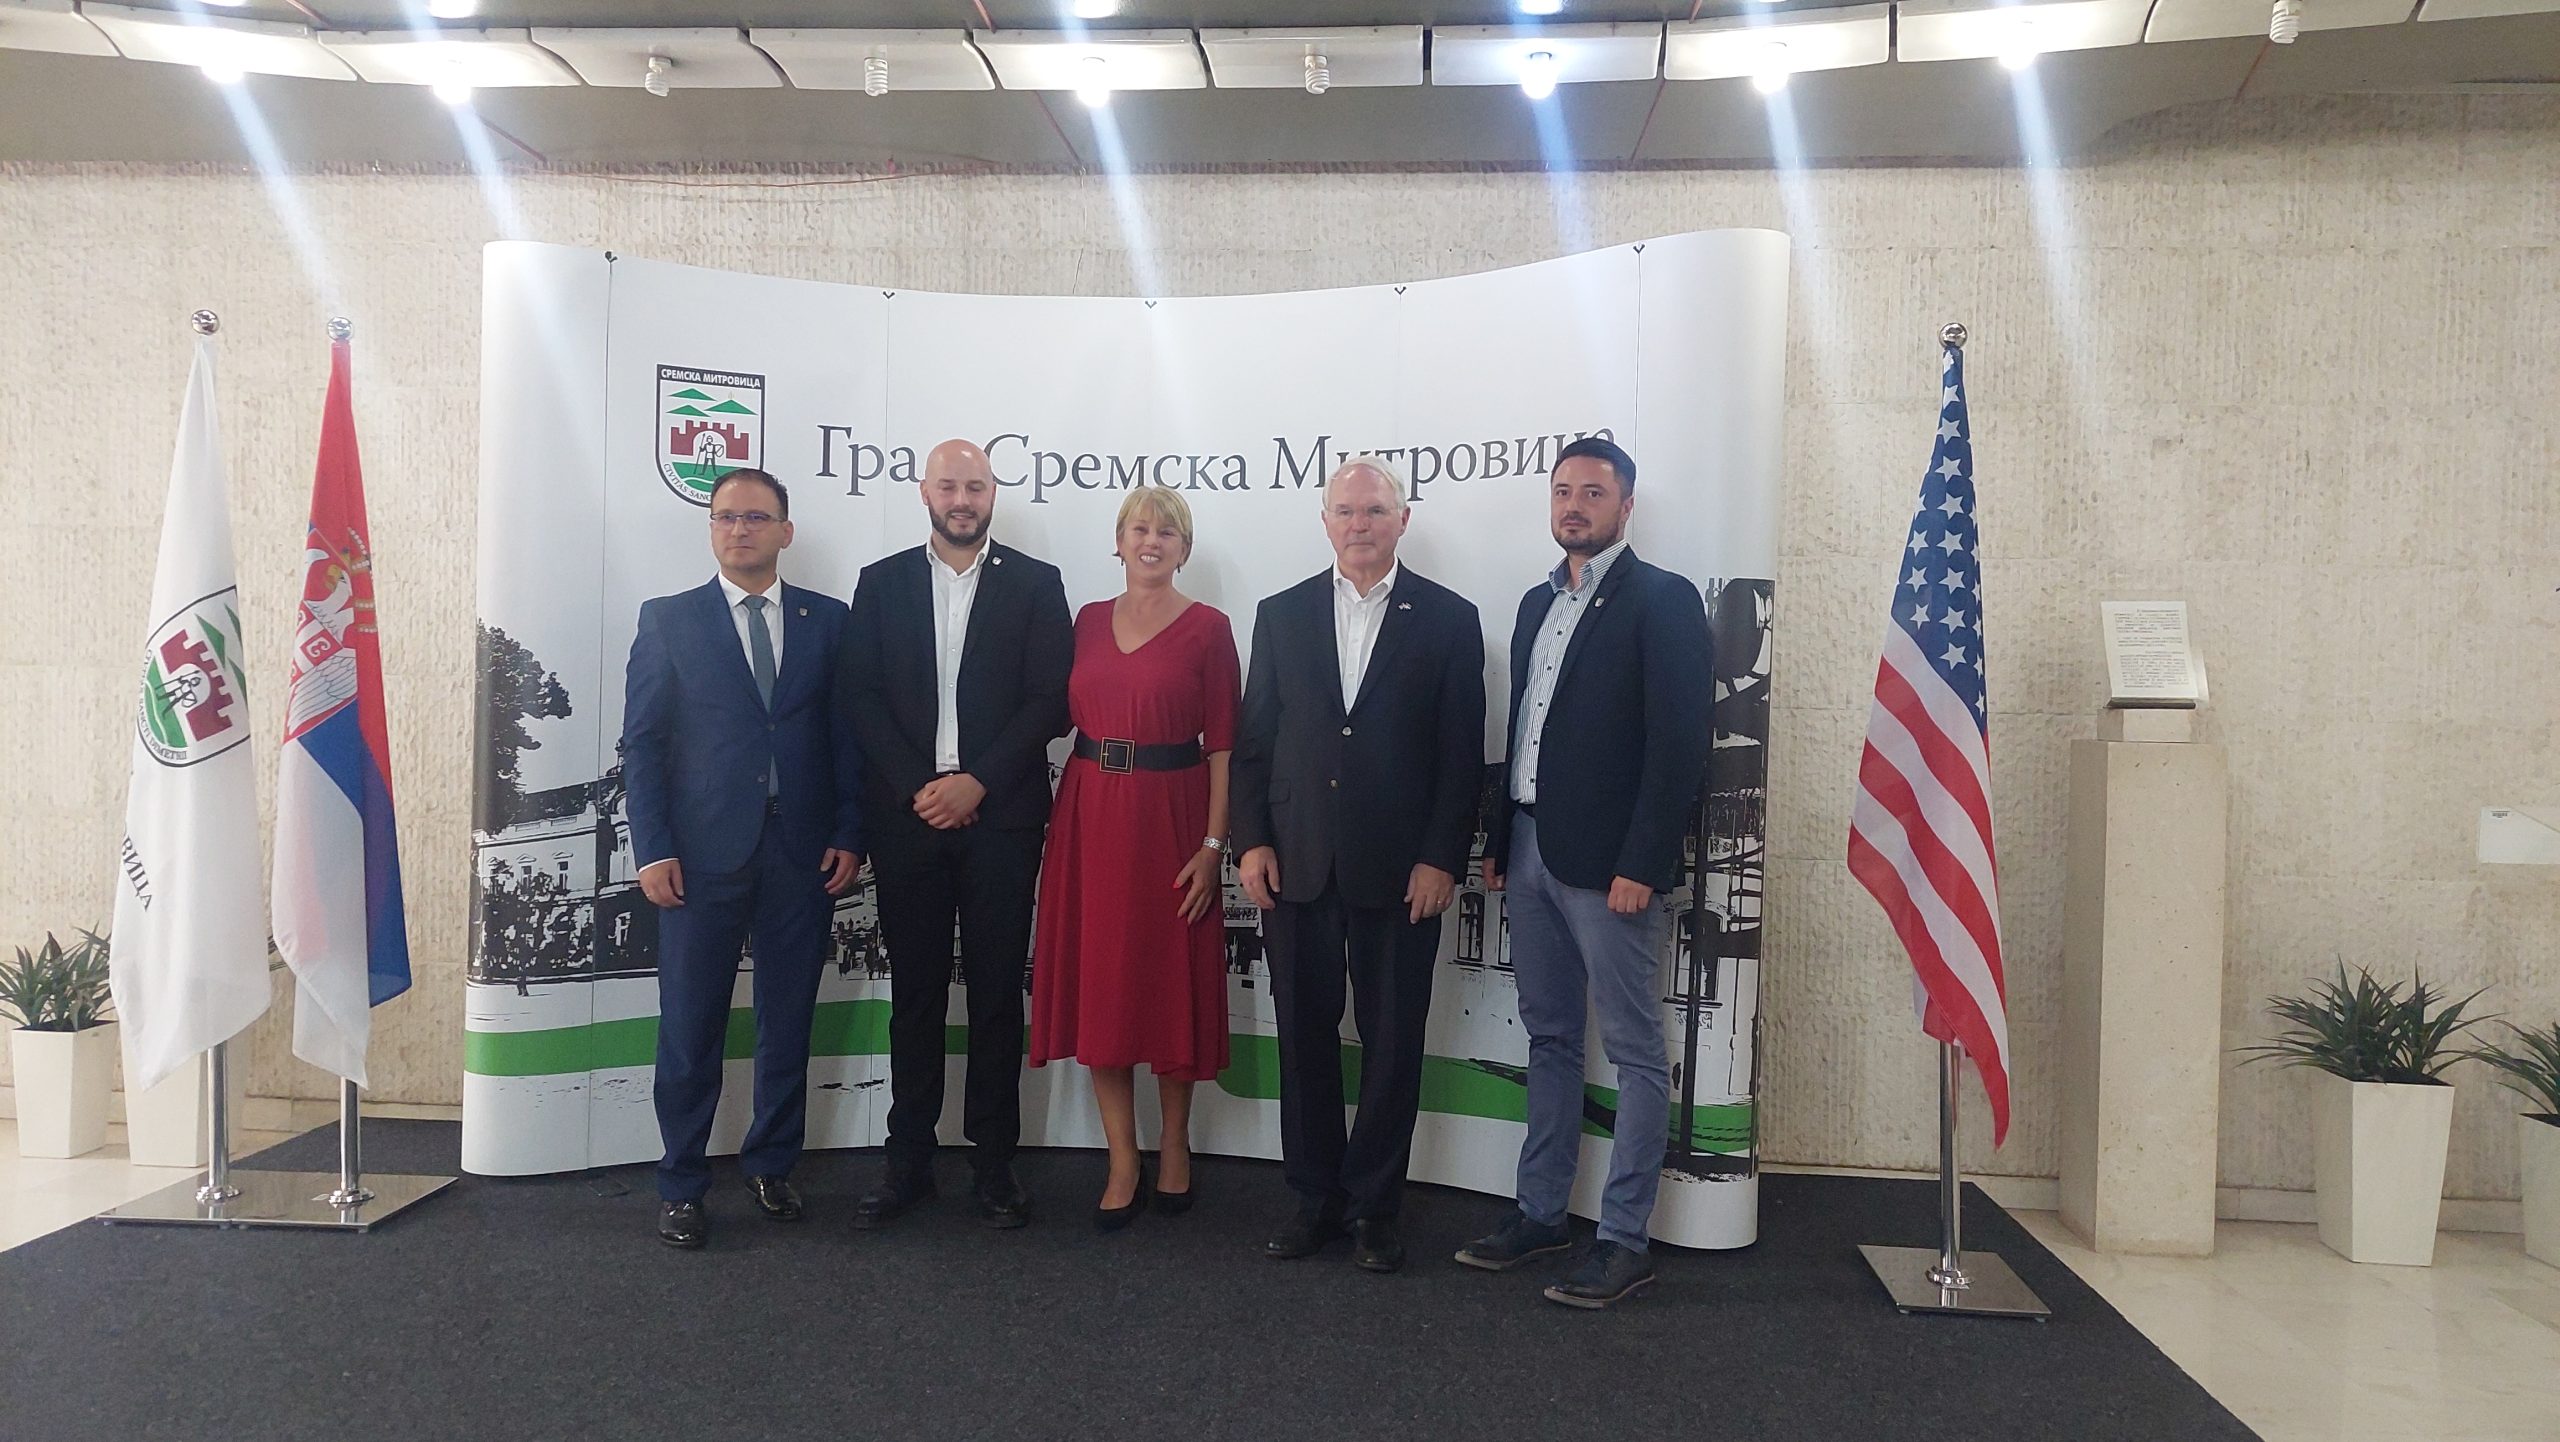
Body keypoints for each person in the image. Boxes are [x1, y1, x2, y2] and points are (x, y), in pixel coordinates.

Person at [1456, 436, 1712, 1309]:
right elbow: (1523, 727)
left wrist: (1643, 860)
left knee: (1636, 1051)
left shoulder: (1663, 600)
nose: (1574, 505)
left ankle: (1624, 1239)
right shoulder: (1537, 603)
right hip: (1530, 848)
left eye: (1593, 493)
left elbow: (1679, 744)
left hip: (1610, 870)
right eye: (1563, 491)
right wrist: (1498, 841)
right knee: (1551, 1037)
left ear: (1626, 506)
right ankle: (1540, 1214)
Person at [1232, 457, 1484, 1273]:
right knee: (1303, 1039)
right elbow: (1255, 741)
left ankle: (1376, 1207)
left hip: (1401, 872)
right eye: (1345, 511)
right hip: (1296, 862)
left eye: (1374, 510)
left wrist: (1441, 858)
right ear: (1325, 521)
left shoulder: (1449, 619)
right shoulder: (1281, 614)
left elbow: (1460, 755)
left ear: (1402, 520)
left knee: (1393, 1042)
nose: (1359, 524)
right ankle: (1314, 1200)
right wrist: (1250, 841)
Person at [621, 468, 864, 1250]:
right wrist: (652, 846)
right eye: (725, 516)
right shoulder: (669, 620)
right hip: (698, 858)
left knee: (786, 1021)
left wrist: (850, 831)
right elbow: (642, 745)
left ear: (785, 532)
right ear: (711, 529)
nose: (739, 529)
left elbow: (847, 739)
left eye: (756, 517)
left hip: (802, 852)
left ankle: (772, 1165)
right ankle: (682, 1184)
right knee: (690, 1026)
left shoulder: (829, 621)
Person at [836, 439, 1072, 1230]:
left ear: (992, 494)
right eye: (949, 486)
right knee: (916, 996)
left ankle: (994, 1165)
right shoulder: (882, 582)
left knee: (999, 994)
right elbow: (861, 697)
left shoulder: (1037, 584)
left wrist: (978, 782)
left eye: (974, 486)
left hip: (1002, 818)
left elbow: (1051, 700)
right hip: (908, 820)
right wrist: (922, 787)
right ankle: (908, 1162)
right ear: (924, 493)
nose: (962, 500)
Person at [1029, 485, 1241, 1230]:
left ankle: (1174, 1145)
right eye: (1139, 529)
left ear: (1185, 548)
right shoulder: (1085, 621)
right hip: (1089, 814)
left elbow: (1224, 747)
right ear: (1118, 541)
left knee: (1171, 979)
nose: (1152, 541)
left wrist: (1213, 846)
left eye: (1167, 532)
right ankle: (1123, 1157)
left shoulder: (1210, 629)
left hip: (1174, 818)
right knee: (1103, 984)